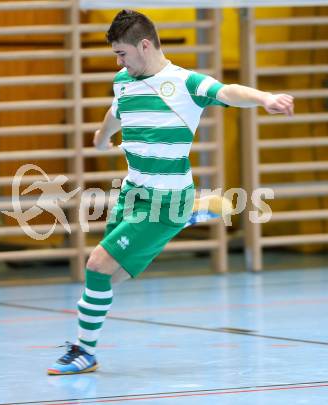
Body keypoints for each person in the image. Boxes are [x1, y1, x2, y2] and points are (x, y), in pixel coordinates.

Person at [47, 9, 294, 375]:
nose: (119, 62)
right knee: (105, 277)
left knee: (96, 263)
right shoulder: (124, 80)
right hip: (133, 193)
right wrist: (102, 138)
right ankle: (188, 216)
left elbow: (227, 91)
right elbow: (116, 110)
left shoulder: (184, 84)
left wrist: (264, 98)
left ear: (144, 46)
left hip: (164, 200)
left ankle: (84, 351)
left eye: (122, 54)